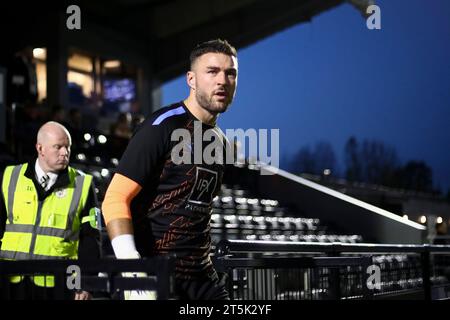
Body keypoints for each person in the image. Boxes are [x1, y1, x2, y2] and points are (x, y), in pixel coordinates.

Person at [102, 39, 238, 300]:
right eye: (212, 71)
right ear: (191, 79)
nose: (222, 80)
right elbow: (114, 199)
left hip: (202, 279)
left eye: (230, 73)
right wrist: (133, 269)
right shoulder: (162, 126)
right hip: (155, 275)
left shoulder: (220, 141)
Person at [0, 121, 101, 300]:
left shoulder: (83, 184)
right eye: (58, 147)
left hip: (59, 285)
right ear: (40, 148)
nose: (65, 152)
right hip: (11, 282)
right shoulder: (9, 177)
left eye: (67, 147)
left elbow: (90, 240)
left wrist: (84, 283)